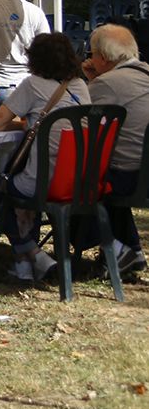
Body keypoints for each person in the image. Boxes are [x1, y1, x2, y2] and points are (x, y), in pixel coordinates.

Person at [0, 32, 91, 281]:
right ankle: (24, 262)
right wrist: (28, 125)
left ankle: (30, 252)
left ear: (34, 59)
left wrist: (22, 125)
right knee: (19, 183)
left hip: (44, 182)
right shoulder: (80, 86)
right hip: (80, 181)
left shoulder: (32, 84)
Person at [79, 24, 149, 275]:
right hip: (143, 174)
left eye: (91, 53)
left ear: (103, 58)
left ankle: (117, 248)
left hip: (130, 178)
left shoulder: (107, 83)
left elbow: (79, 127)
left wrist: (94, 82)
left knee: (81, 180)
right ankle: (132, 251)